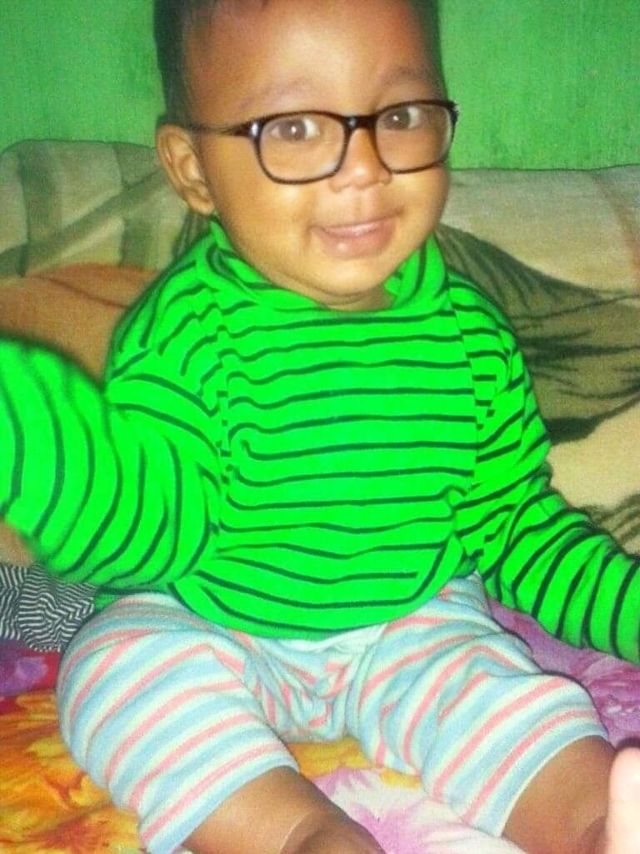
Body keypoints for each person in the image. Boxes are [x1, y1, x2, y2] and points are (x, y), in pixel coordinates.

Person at [1, 0, 639, 851]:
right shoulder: (188, 334)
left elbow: (517, 528)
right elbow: (159, 521)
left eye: (400, 116)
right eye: (294, 128)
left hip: (412, 625)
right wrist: (45, 445)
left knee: (503, 694)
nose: (363, 168)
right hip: (214, 620)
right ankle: (302, 834)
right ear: (193, 170)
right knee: (116, 667)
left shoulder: (469, 339)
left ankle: (597, 824)